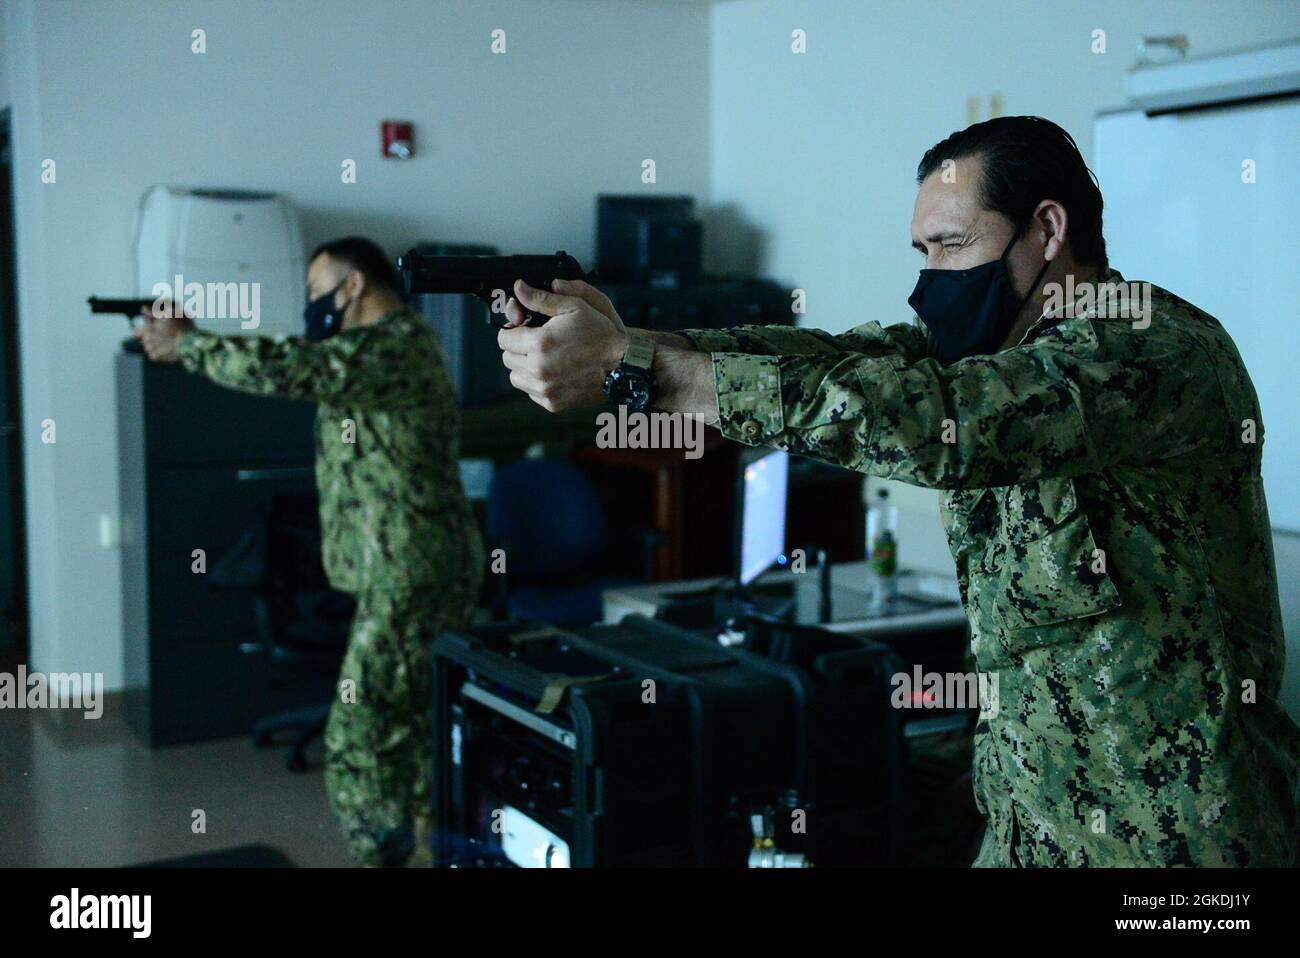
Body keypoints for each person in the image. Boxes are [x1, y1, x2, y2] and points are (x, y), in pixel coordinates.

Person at [495, 117, 1300, 867]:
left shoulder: (1149, 347)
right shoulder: (988, 348)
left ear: (1048, 231)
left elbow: (938, 425)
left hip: (1178, 843)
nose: (930, 281)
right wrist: (629, 343)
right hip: (1033, 824)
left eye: (950, 246)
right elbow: (831, 362)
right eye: (922, 250)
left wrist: (638, 374)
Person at [134, 236, 484, 867]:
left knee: (359, 739)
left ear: (354, 286)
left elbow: (293, 367)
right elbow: (299, 361)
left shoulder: (397, 345)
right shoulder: (373, 350)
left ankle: (388, 859)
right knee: (408, 731)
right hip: (401, 569)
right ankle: (422, 853)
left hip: (410, 572)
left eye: (319, 292)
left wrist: (188, 346)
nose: (313, 306)